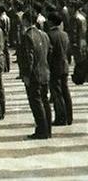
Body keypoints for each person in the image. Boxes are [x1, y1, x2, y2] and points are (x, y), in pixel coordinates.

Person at [19, 10, 52, 139]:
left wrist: (26, 75)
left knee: (36, 102)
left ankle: (41, 130)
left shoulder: (27, 35)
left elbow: (29, 57)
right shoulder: (44, 34)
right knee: (44, 101)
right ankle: (47, 129)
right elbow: (49, 51)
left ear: (26, 20)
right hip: (45, 71)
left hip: (34, 74)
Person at [46, 12, 72, 126]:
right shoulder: (64, 34)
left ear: (51, 21)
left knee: (57, 93)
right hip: (64, 65)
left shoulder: (49, 35)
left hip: (54, 67)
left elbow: (49, 53)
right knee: (65, 91)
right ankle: (69, 117)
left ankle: (61, 117)